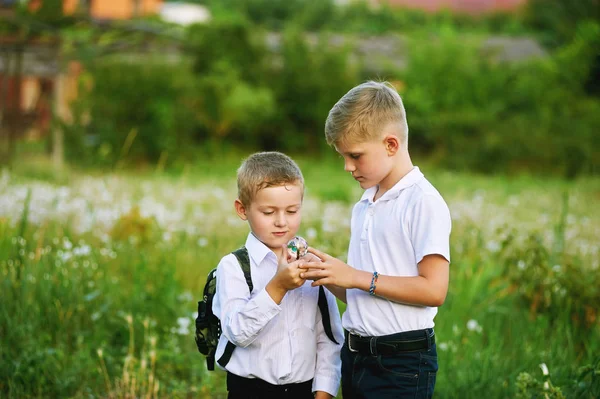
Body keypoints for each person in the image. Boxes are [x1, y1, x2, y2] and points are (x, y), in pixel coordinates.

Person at [300, 81, 451, 399]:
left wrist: (355, 276)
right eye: (343, 156)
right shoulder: (366, 203)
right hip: (355, 357)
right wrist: (328, 274)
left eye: (355, 156)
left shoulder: (422, 201)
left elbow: (434, 290)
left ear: (391, 145)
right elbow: (365, 293)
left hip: (401, 363)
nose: (347, 167)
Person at [212, 151, 344, 399]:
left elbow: (329, 337)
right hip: (249, 390)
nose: (281, 222)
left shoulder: (311, 264)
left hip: (303, 391)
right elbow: (237, 332)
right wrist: (278, 288)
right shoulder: (234, 267)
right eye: (269, 212)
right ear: (242, 209)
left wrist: (324, 393)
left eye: (292, 211)